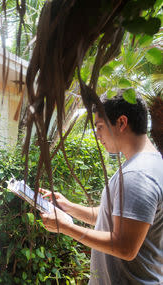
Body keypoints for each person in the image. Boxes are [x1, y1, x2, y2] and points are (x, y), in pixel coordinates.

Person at [40, 90, 162, 284]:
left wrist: (66, 228)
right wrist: (69, 206)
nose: (97, 135)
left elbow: (125, 247)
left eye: (100, 127)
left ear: (121, 123)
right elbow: (118, 217)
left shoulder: (138, 174)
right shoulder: (149, 164)